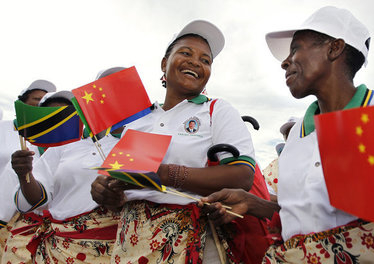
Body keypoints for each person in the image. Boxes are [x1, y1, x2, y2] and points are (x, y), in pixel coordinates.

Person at [201, 6, 374, 263]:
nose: (285, 61)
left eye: (296, 48)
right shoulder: (297, 134)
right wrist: (252, 203)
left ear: (334, 48)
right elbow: (304, 216)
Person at [90, 20, 258, 264]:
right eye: (185, 53)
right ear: (164, 64)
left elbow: (242, 176)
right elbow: (123, 185)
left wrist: (165, 174)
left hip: (191, 240)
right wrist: (105, 191)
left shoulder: (215, 110)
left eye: (205, 60)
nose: (195, 62)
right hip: (131, 245)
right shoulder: (140, 120)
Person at [3, 90, 120, 264]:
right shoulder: (62, 146)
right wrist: (24, 174)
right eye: (52, 113)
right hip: (57, 248)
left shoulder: (135, 140)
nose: (60, 119)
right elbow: (35, 200)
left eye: (66, 112)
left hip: (113, 248)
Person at [0, 80, 55, 261]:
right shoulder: (3, 128)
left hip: (27, 210)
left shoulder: (48, 137)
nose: (39, 104)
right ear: (23, 103)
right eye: (36, 99)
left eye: (44, 101)